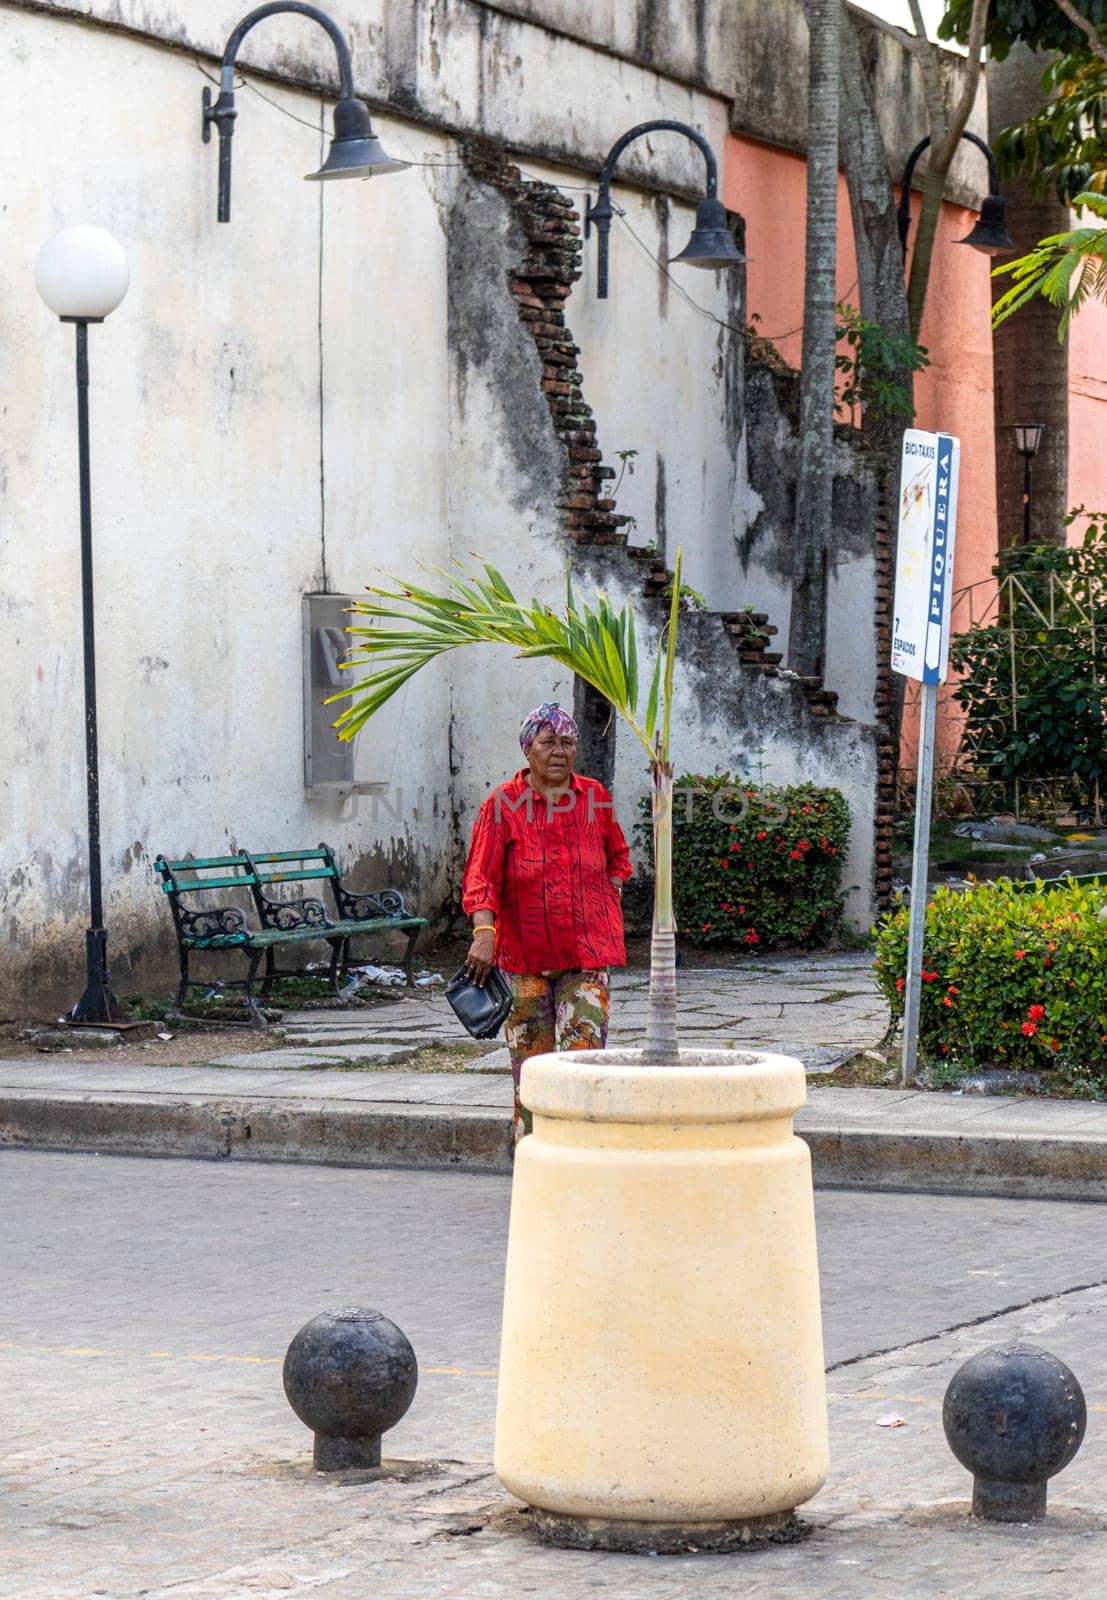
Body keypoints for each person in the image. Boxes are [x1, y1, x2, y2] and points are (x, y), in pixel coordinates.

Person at [461, 701, 632, 1139]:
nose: (559, 751)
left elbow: (619, 856)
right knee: (533, 1075)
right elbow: (480, 877)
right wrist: (484, 933)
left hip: (586, 957)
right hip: (522, 961)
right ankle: (535, 1160)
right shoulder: (502, 804)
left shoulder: (594, 797)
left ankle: (582, 1154)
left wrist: (605, 894)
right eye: (548, 741)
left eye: (568, 742)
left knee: (583, 1065)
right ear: (528, 750)